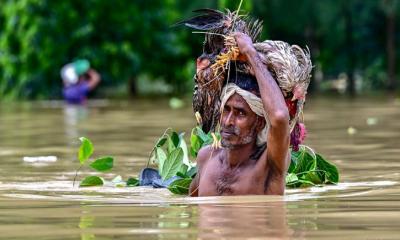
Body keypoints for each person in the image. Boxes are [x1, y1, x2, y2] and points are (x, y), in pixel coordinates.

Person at [189, 32, 290, 196]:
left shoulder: (268, 166)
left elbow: (279, 116)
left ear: (259, 123)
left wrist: (250, 52)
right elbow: (189, 209)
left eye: (240, 113)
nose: (228, 121)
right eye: (226, 109)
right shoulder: (206, 157)